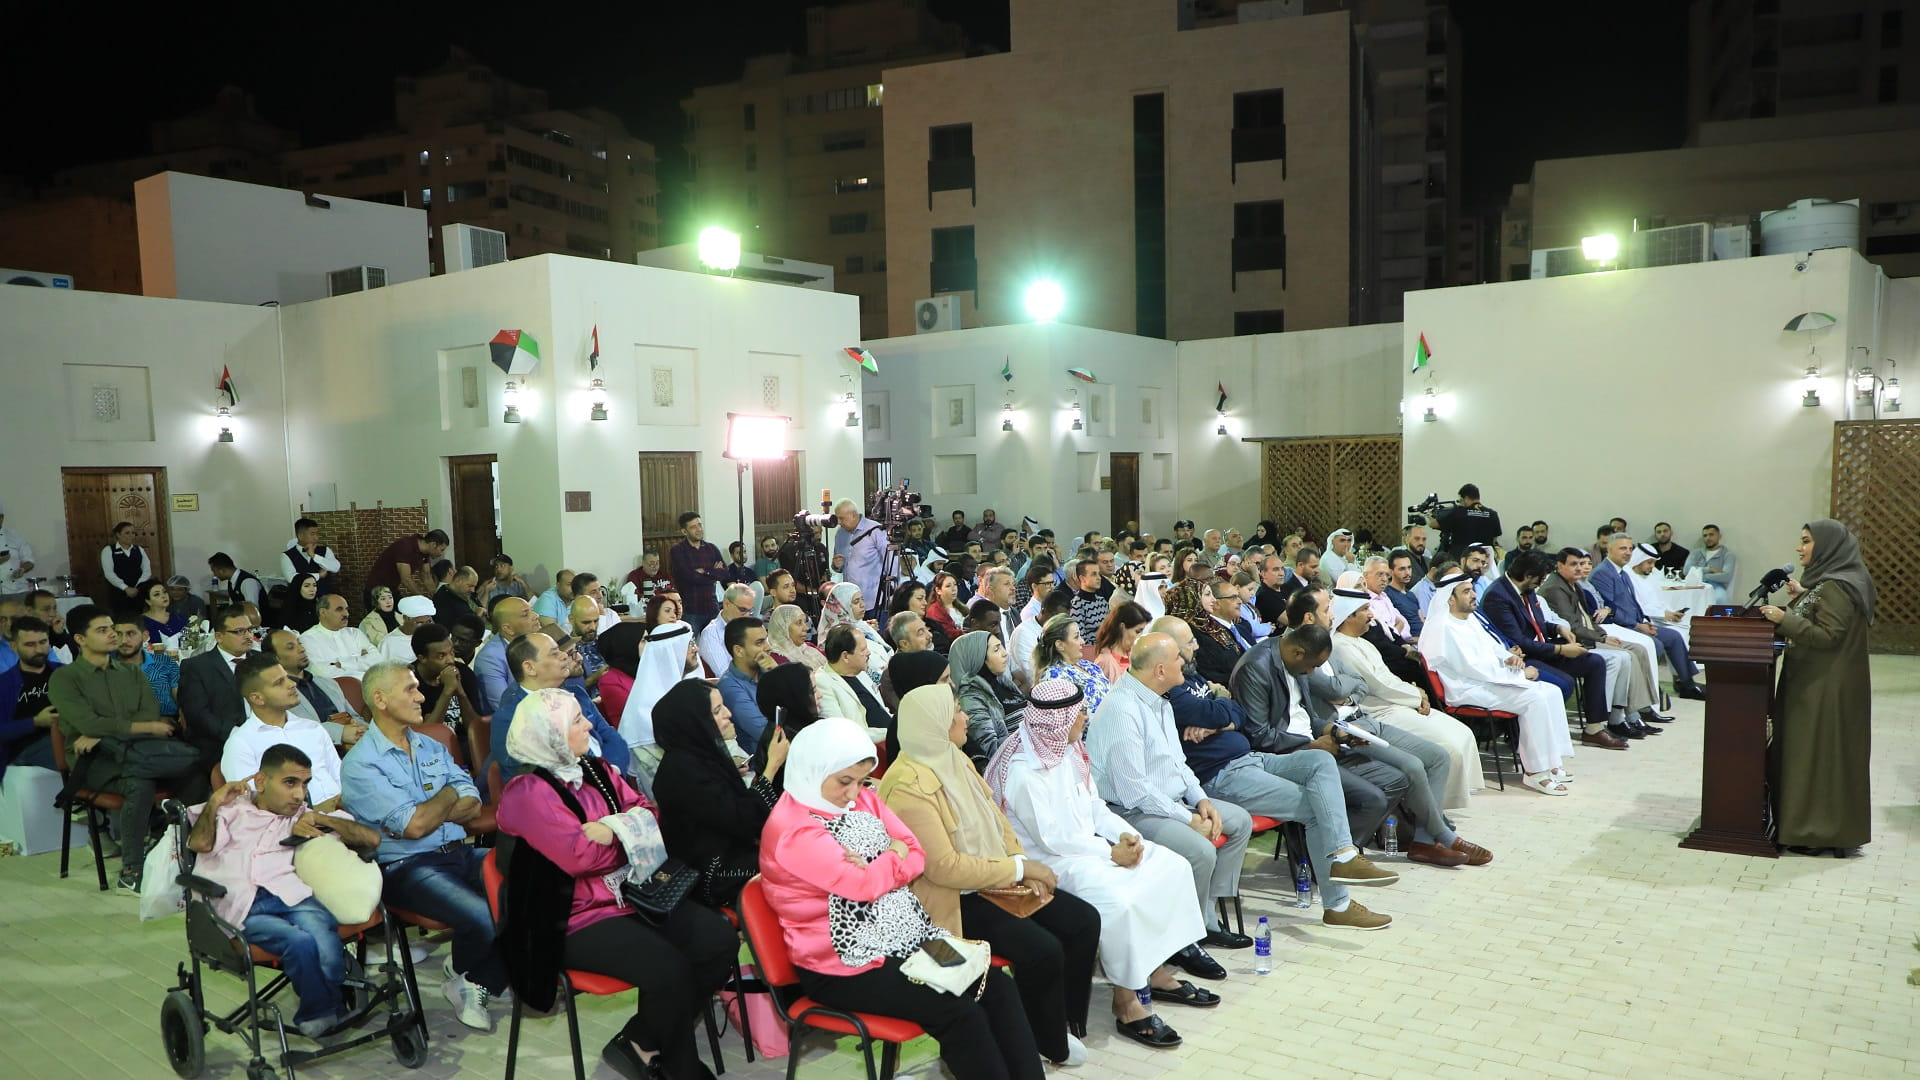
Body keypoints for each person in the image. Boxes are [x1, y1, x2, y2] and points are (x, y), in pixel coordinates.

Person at [756, 716, 1045, 1080]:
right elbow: (863, 885)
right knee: (957, 1011)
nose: (854, 793)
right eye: (844, 781)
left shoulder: (861, 798)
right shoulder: (793, 830)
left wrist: (879, 861)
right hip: (845, 965)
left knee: (996, 985)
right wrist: (892, 853)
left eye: (861, 781)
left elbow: (916, 852)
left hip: (907, 937)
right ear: (813, 771)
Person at [494, 688, 737, 1079]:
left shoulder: (596, 769)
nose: (589, 726)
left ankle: (640, 1040)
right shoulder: (527, 792)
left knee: (718, 939)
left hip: (631, 895)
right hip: (570, 917)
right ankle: (680, 1068)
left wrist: (610, 829)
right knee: (669, 968)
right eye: (577, 720)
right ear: (551, 734)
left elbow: (648, 814)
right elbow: (580, 858)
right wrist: (629, 837)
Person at [879, 683, 1103, 1065]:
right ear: (935, 724)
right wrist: (1017, 868)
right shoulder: (907, 787)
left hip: (991, 880)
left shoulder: (954, 757)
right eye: (956, 712)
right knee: (1042, 949)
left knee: (1082, 920)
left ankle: (1061, 1022)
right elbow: (945, 868)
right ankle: (1046, 1040)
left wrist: (1018, 862)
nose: (965, 717)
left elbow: (997, 818)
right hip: (950, 902)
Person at [985, 678, 1214, 1050]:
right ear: (1058, 720)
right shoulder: (1023, 769)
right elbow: (1053, 838)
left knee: (1171, 867)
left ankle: (1154, 971)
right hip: (1051, 862)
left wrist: (1127, 837)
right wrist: (1110, 853)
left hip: (1087, 847)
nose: (1086, 718)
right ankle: (1127, 1002)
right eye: (1080, 713)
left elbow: (1094, 807)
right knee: (1121, 901)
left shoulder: (1070, 747)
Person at [1087, 632, 1273, 957]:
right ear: (1160, 670)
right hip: (1129, 812)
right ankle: (1186, 941)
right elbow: (1135, 791)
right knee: (1201, 851)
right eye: (1177, 658)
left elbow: (1178, 763)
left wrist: (1201, 800)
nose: (1185, 662)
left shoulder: (1160, 700)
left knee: (1239, 821)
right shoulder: (1122, 709)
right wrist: (1188, 819)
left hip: (1169, 802)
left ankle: (1207, 916)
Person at [339, 661, 503, 1030]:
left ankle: (471, 976)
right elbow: (414, 828)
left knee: (531, 885)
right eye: (410, 689)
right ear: (380, 699)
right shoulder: (361, 764)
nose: (421, 697)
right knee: (483, 917)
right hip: (407, 867)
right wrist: (448, 796)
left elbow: (473, 802)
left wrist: (431, 810)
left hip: (458, 851)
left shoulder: (430, 745)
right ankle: (476, 975)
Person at [188, 746, 381, 1037]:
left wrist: (322, 820)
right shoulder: (230, 811)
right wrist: (215, 801)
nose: (299, 794)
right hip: (242, 905)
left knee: (326, 948)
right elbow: (199, 844)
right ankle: (320, 1015)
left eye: (305, 784)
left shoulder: (302, 817)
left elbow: (371, 839)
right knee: (300, 943)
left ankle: (328, 1002)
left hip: (290, 896)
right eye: (290, 783)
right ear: (261, 781)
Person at [50, 604, 202, 890]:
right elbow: (88, 723)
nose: (113, 635)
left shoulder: (131, 673)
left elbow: (148, 712)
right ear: (80, 639)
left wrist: (104, 731)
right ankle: (132, 871)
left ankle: (177, 849)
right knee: (138, 783)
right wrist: (132, 729)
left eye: (112, 628)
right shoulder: (66, 678)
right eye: (103, 630)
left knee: (196, 771)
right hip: (93, 761)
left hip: (138, 751)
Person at [1759, 520, 1875, 856]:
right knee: (1811, 756)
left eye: (1807, 541)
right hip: (1819, 682)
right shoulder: (1832, 582)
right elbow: (1822, 617)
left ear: (1828, 546)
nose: (1800, 548)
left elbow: (1828, 635)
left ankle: (1816, 832)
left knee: (1817, 758)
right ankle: (1811, 828)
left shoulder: (1837, 586)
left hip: (1824, 688)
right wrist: (1802, 599)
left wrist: (1784, 619)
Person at [1419, 575, 1576, 795]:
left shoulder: (1469, 619)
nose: (1474, 595)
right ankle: (1535, 773)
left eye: (1472, 590)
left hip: (1488, 681)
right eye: (1466, 592)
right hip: (1466, 689)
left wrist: (1510, 659)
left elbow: (1491, 648)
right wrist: (1519, 675)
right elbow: (1472, 668)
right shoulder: (1443, 627)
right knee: (1534, 699)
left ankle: (1551, 762)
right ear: (1450, 599)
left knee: (1551, 691)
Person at [1326, 594, 1484, 808]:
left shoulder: (1363, 643)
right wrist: (1416, 696)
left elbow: (1388, 678)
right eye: (1365, 610)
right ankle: (1434, 809)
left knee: (1462, 733)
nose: (1371, 615)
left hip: (1399, 702)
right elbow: (1378, 685)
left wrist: (1416, 693)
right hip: (1379, 711)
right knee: (1451, 748)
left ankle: (1445, 802)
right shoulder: (1341, 646)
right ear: (1348, 616)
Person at [652, 678, 787, 906]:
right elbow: (744, 820)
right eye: (717, 711)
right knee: (798, 859)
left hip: (733, 849)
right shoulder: (683, 772)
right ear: (694, 722)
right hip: (714, 872)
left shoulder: (699, 755)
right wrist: (772, 766)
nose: (728, 714)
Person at [1479, 551, 1619, 745]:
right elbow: (1518, 640)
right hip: (1522, 656)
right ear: (1528, 575)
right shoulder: (1498, 596)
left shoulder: (1526, 589)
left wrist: (1557, 628)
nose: (1542, 582)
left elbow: (1535, 622)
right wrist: (1561, 650)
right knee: (1564, 683)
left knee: (1594, 662)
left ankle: (1594, 729)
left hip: (1542, 648)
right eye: (1541, 578)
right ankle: (1527, 735)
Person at [1538, 549, 1668, 735]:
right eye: (1574, 564)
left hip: (1591, 634)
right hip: (1578, 641)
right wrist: (1602, 638)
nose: (1580, 568)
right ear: (1560, 566)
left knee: (1638, 649)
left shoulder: (1573, 584)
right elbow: (1573, 626)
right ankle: (1612, 718)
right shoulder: (1555, 589)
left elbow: (1588, 619)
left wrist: (1602, 634)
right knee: (1624, 657)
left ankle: (1636, 712)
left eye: (1582, 564)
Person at [491, 632, 630, 778]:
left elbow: (611, 737)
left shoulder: (576, 693)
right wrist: (598, 778)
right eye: (554, 653)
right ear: (530, 668)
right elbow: (533, 776)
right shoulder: (510, 717)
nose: (564, 656)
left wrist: (612, 770)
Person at [219, 653, 345, 808]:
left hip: (343, 811)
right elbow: (252, 806)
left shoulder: (313, 728)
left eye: (287, 677)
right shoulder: (241, 743)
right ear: (257, 698)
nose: (292, 684)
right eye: (279, 682)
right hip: (295, 820)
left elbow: (342, 778)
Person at [1591, 535, 1705, 699]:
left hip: (1636, 622)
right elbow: (1610, 608)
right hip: (1620, 626)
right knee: (1655, 644)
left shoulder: (1622, 572)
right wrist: (1638, 626)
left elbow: (1634, 604)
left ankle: (1687, 684)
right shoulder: (1603, 573)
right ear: (1609, 549)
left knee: (1674, 636)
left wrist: (1644, 621)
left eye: (1630, 549)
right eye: (1622, 548)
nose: (1627, 552)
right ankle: (1649, 689)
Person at [621, 620, 701, 791]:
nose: (696, 649)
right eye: (689, 645)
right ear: (671, 652)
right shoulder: (644, 713)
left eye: (694, 643)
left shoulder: (685, 690)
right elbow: (664, 784)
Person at [178, 605, 259, 763]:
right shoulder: (196, 667)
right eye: (239, 631)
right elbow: (197, 714)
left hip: (264, 735)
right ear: (219, 636)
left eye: (250, 630)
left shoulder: (262, 661)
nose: (248, 636)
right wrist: (237, 735)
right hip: (220, 743)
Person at [266, 629, 366, 746]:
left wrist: (365, 729)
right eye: (291, 647)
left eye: (300, 643)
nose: (302, 649)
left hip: (356, 742)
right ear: (275, 658)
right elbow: (298, 730)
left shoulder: (328, 683)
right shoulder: (276, 695)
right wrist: (340, 733)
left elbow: (354, 716)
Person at [949, 630, 1025, 763]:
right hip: (1014, 764)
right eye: (996, 650)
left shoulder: (1002, 683)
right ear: (978, 658)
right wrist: (1031, 740)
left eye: (1002, 647)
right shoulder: (971, 699)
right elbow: (990, 750)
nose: (1005, 653)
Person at [0, 614, 60, 777]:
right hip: (27, 746)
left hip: (69, 735)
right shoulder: (4, 684)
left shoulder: (64, 672)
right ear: (14, 646)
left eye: (43, 642)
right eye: (30, 644)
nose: (39, 650)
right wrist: (35, 722)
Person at [1167, 578, 1249, 686]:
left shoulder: (1211, 624)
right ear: (1192, 598)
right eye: (1207, 594)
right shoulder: (1188, 630)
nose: (1214, 600)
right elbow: (1206, 671)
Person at [715, 616, 776, 752]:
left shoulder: (768, 672)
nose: (768, 647)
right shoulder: (730, 688)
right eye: (759, 643)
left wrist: (777, 674)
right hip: (763, 759)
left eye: (766, 640)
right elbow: (767, 735)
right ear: (739, 651)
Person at [1034, 613, 1113, 718]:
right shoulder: (1052, 677)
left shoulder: (1087, 665)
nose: (1082, 641)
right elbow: (1065, 720)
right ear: (1060, 645)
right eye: (1076, 637)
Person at [816, 582, 893, 684]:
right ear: (842, 606)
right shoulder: (837, 636)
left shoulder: (862, 625)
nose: (862, 605)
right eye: (856, 602)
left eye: (862, 599)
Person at [475, 596, 537, 714]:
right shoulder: (490, 658)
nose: (536, 616)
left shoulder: (538, 640)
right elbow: (503, 705)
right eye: (526, 614)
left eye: (532, 610)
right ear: (508, 629)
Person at [668, 512, 727, 634]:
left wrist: (705, 571)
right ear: (684, 531)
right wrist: (713, 573)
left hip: (712, 606)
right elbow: (689, 577)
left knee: (716, 641)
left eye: (700, 525)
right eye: (693, 527)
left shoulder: (711, 548)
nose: (699, 529)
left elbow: (725, 574)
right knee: (690, 643)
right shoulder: (678, 551)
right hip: (690, 609)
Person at [300, 594, 377, 681]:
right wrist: (360, 662)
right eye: (339, 609)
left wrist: (342, 663)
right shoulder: (308, 639)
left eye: (346, 609)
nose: (346, 614)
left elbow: (377, 660)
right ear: (323, 612)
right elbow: (321, 673)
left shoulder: (355, 633)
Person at [364, 529, 448, 599]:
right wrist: (422, 598)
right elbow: (406, 579)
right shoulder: (405, 546)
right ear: (433, 545)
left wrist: (437, 597)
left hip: (391, 590)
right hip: (375, 591)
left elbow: (426, 576)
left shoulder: (425, 553)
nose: (441, 554)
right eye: (442, 550)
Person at [697, 584, 757, 677]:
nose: (747, 615)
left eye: (750, 611)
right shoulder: (711, 634)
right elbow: (724, 674)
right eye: (742, 609)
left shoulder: (751, 629)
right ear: (727, 604)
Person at [1093, 601, 1151, 685]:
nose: (1140, 637)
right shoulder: (1105, 662)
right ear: (1122, 627)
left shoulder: (1135, 655)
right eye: (1137, 631)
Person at [1434, 483, 1501, 555]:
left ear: (1466, 498)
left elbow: (1434, 524)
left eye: (1461, 499)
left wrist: (1430, 516)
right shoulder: (1493, 514)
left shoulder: (1458, 513)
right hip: (1484, 557)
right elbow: (1494, 539)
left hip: (1461, 557)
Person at [1684, 524, 1738, 605]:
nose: (1708, 538)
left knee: (1721, 599)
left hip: (1716, 587)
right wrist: (1710, 569)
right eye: (1705, 536)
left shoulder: (1728, 555)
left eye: (1711, 535)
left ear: (1719, 536)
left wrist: (1699, 575)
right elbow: (1686, 570)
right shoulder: (1696, 553)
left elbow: (1726, 576)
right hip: (1694, 586)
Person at [279, 517, 342, 585]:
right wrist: (318, 575)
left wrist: (314, 556)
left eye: (317, 534)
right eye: (312, 534)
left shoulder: (325, 550)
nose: (316, 538)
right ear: (300, 536)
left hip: (324, 591)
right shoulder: (286, 556)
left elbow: (336, 567)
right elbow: (291, 578)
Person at [99, 521, 153, 600]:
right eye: (127, 533)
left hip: (138, 591)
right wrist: (125, 588)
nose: (131, 536)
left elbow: (147, 571)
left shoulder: (139, 549)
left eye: (133, 533)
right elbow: (109, 573)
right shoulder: (108, 550)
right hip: (118, 593)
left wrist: (138, 586)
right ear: (118, 534)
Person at [376, 595, 436, 665]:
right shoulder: (389, 643)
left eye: (429, 622)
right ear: (405, 618)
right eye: (420, 623)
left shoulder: (433, 634)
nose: (425, 627)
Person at [765, 604, 822, 670]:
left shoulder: (808, 647)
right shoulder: (776, 660)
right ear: (783, 627)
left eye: (805, 622)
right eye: (799, 623)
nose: (806, 628)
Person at [0, 503, 36, 603]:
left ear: (2, 518)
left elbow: (29, 561)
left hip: (19, 591)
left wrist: (22, 569)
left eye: (0, 517)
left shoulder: (15, 536)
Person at [1384, 550, 1425, 636]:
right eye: (1402, 569)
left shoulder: (1411, 595)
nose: (1407, 573)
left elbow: (1422, 620)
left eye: (1409, 568)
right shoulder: (1387, 594)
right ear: (1390, 571)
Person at [138, 578, 188, 644]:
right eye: (157, 594)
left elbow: (189, 640)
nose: (163, 596)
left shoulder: (179, 618)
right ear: (148, 601)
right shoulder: (140, 622)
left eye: (164, 592)